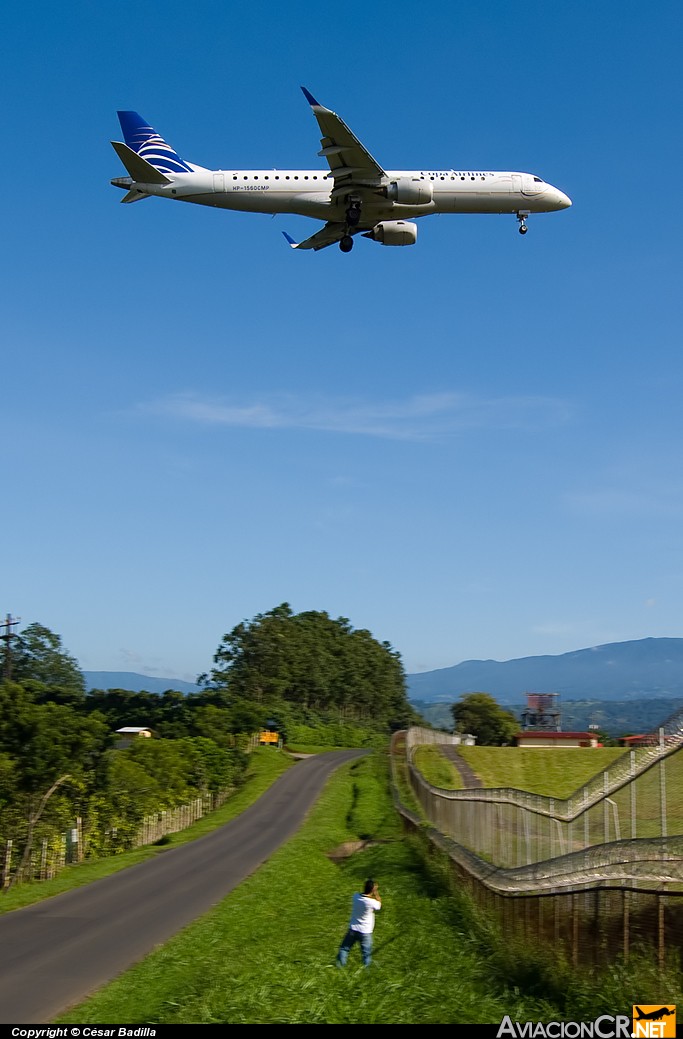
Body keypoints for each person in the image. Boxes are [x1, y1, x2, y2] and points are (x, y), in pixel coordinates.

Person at [336, 878, 381, 967]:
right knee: (366, 954)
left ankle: (340, 967)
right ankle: (366, 973)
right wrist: (376, 893)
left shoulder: (355, 896)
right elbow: (379, 904)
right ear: (372, 890)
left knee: (344, 948)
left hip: (353, 929)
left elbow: (363, 895)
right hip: (365, 932)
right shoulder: (372, 902)